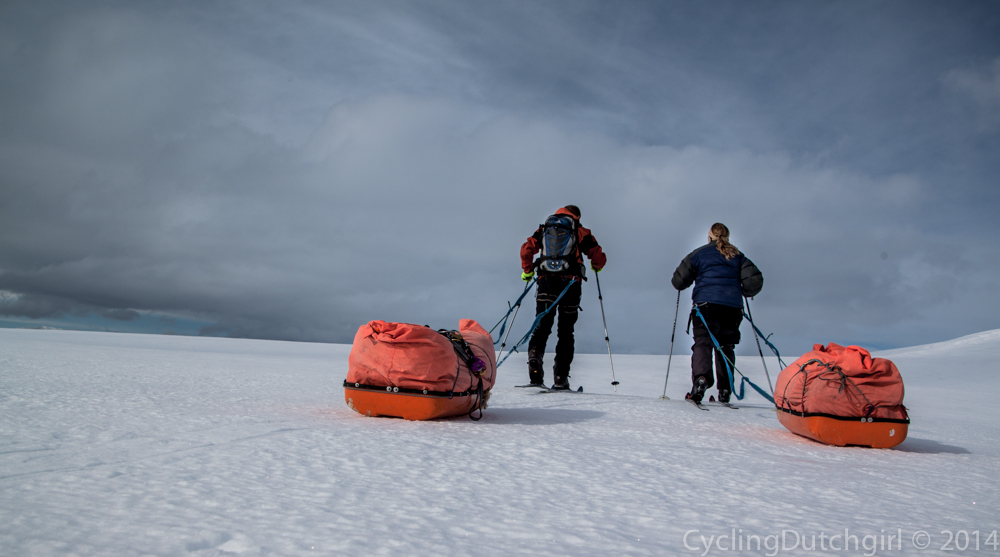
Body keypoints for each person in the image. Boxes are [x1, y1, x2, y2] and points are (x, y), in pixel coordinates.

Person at [671, 223, 763, 403]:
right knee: (725, 346)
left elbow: (678, 281)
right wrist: (744, 292)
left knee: (703, 343)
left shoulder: (699, 254)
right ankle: (725, 389)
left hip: (705, 307)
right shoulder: (738, 256)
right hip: (732, 308)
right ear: (727, 237)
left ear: (709, 238)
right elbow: (755, 280)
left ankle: (701, 380)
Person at [520, 205, 606, 389]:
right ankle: (560, 378)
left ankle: (535, 366)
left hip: (546, 283)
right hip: (570, 285)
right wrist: (597, 266)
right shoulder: (580, 231)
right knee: (566, 332)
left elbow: (526, 250)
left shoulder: (544, 229)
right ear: (577, 216)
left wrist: (527, 270)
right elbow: (597, 256)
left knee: (541, 328)